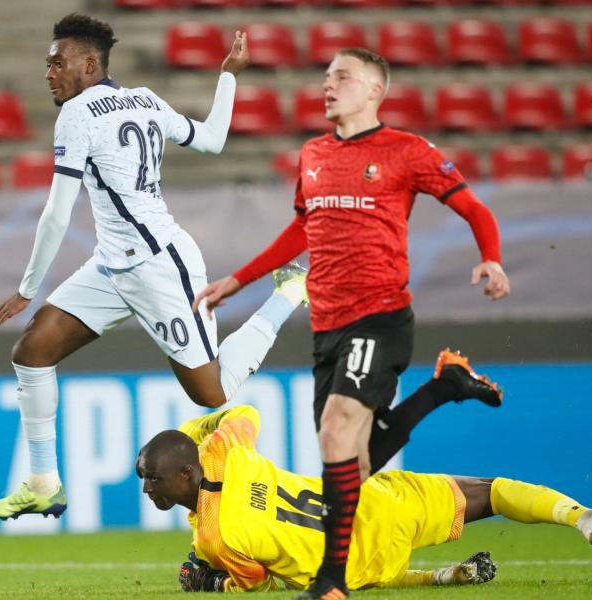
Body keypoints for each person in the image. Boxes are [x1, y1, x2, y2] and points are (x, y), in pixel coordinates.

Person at [192, 48, 512, 598]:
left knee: (338, 429)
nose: (328, 84)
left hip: (381, 316)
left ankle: (330, 583)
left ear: (375, 91)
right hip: (329, 324)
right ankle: (444, 387)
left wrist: (491, 255)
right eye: (325, 75)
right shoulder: (313, 154)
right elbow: (301, 231)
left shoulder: (407, 151)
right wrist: (239, 280)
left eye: (343, 76)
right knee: (351, 462)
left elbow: (474, 208)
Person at [0, 14, 314, 521]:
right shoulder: (144, 98)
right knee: (32, 351)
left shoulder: (77, 113)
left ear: (89, 64)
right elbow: (212, 139)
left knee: (212, 392)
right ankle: (44, 484)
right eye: (47, 64)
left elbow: (57, 211)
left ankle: (289, 290)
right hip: (113, 265)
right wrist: (229, 76)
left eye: (57, 62)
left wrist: (29, 286)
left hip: (160, 266)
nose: (48, 73)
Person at [136, 406, 592, 593]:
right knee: (493, 492)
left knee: (352, 573)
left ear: (185, 475)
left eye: (153, 480)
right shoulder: (229, 453)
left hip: (358, 567)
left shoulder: (214, 537)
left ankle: (440, 576)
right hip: (374, 504)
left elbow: (252, 583)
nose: (146, 488)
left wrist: (212, 585)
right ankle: (583, 516)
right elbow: (243, 412)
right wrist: (201, 430)